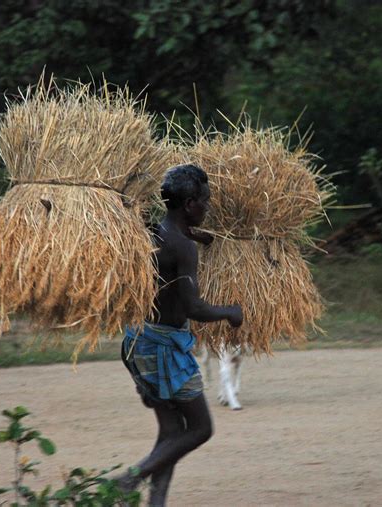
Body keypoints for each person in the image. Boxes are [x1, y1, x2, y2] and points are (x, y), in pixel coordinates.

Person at [118, 164, 243, 506]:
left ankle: (156, 502)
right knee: (201, 429)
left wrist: (196, 236)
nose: (208, 207)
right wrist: (230, 312)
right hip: (165, 349)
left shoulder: (156, 232)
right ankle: (130, 479)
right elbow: (193, 308)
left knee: (172, 432)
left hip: (140, 341)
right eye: (204, 201)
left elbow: (169, 255)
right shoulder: (182, 247)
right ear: (189, 204)